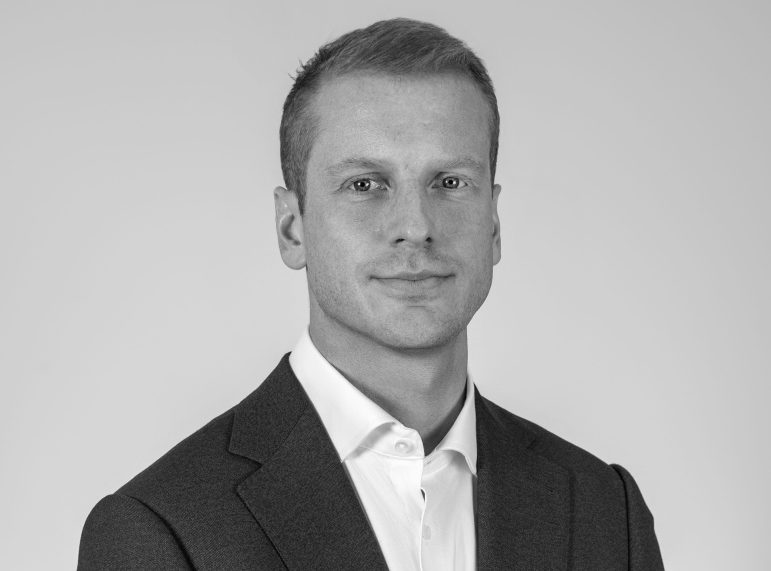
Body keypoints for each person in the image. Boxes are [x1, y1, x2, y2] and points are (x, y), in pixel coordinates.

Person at [78, 18, 664, 570]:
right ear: (292, 228)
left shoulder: (604, 510)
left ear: (493, 223)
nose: (415, 225)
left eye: (450, 182)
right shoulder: (161, 530)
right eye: (365, 184)